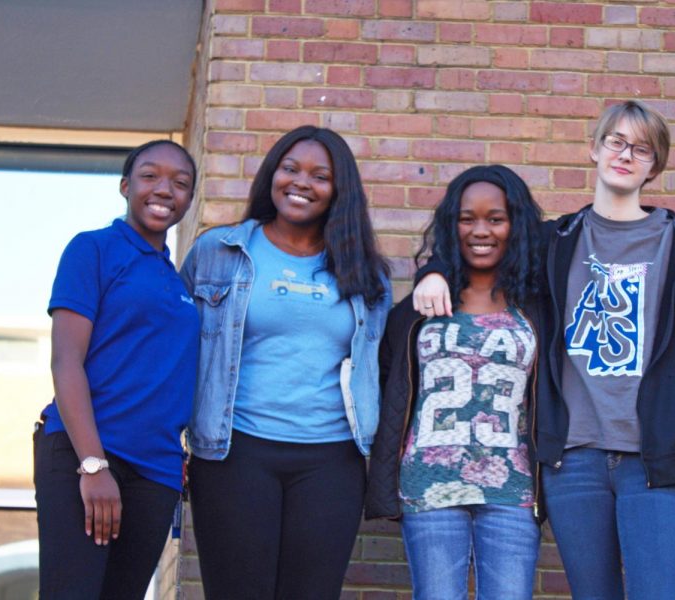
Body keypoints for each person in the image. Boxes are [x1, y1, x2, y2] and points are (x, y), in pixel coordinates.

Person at [413, 101, 675, 599]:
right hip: (574, 459)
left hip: (656, 458)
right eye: (616, 142)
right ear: (595, 149)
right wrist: (431, 270)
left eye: (641, 148)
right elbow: (477, 245)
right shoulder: (553, 240)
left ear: (655, 165)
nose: (626, 154)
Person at [181, 126, 391, 600]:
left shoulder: (366, 271)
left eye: (320, 176)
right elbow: (180, 350)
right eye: (291, 169)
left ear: (339, 191)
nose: (301, 183)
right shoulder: (219, 252)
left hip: (331, 459)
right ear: (272, 174)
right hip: (235, 452)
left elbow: (376, 363)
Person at [366, 165, 548, 600]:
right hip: (428, 487)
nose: (480, 230)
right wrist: (435, 270)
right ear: (452, 225)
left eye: (495, 218)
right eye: (467, 218)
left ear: (516, 225)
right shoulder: (416, 310)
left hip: (514, 490)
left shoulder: (539, 307)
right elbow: (389, 388)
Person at [34, 140, 200, 599]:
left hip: (156, 471)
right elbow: (66, 360)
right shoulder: (94, 249)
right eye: (150, 176)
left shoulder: (177, 280)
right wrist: (92, 465)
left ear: (189, 199)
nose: (164, 189)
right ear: (126, 186)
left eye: (180, 183)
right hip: (84, 454)